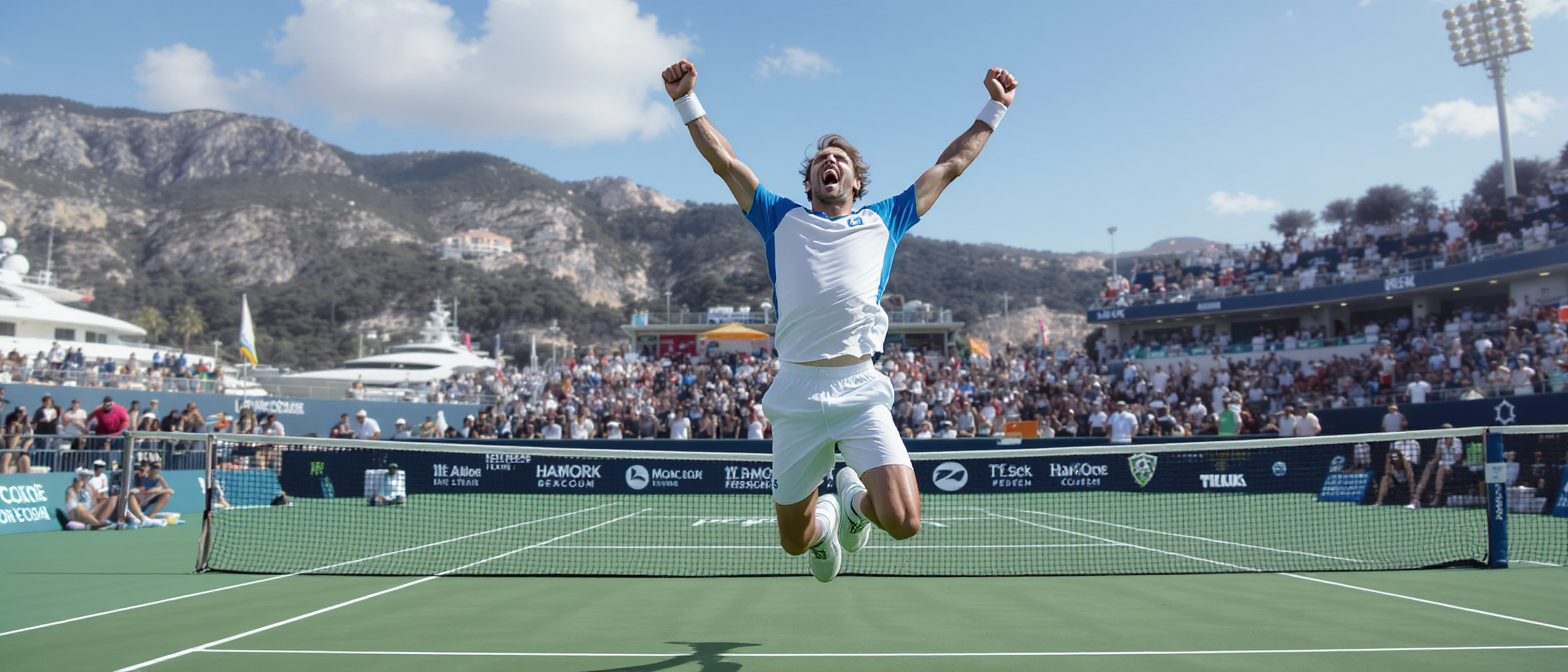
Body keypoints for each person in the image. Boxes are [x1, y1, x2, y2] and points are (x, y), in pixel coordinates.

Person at [663, 58, 1017, 581]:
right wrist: (685, 100)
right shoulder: (778, 217)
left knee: (904, 521)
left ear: (855, 180)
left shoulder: (886, 219)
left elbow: (950, 166)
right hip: (797, 390)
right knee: (793, 542)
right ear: (810, 183)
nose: (829, 163)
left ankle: (853, 505)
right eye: (820, 161)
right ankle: (827, 523)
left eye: (839, 159)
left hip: (858, 386)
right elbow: (726, 163)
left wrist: (995, 107)